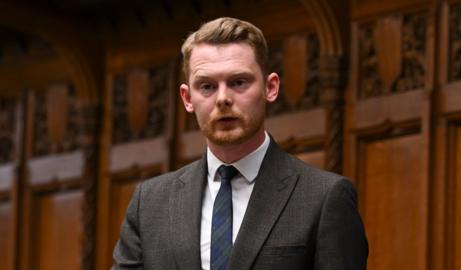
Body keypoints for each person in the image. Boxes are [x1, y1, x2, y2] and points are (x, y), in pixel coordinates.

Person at [112, 17, 368, 270]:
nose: (223, 98)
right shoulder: (150, 203)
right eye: (207, 86)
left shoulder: (324, 197)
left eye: (238, 82)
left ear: (271, 87)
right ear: (187, 98)